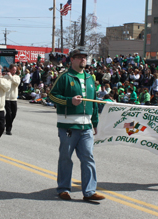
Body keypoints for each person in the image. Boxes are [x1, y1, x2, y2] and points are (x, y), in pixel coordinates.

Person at [48, 49, 105, 201]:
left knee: (88, 157)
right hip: (68, 126)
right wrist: (69, 101)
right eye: (79, 57)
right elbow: (52, 96)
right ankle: (64, 188)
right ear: (71, 60)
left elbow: (92, 103)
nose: (83, 60)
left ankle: (90, 191)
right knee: (66, 158)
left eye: (85, 57)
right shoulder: (64, 77)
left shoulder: (90, 78)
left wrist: (95, 122)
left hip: (86, 127)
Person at [4, 64, 21, 135]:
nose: (14, 71)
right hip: (6, 97)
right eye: (13, 70)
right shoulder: (5, 77)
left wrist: (11, 76)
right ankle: (8, 129)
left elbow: (16, 83)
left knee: (13, 113)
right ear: (10, 70)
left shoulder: (17, 77)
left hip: (13, 98)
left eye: (15, 70)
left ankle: (5, 121)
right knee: (8, 113)